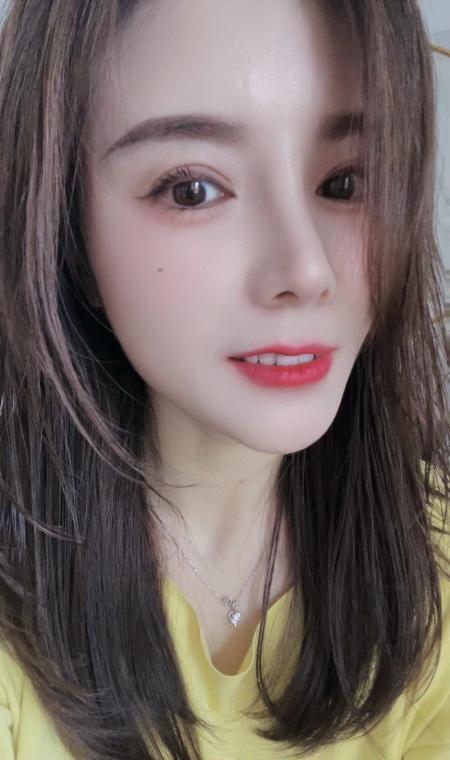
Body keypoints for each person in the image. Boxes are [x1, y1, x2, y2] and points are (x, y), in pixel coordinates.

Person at [0, 0, 449, 758]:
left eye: (346, 182)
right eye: (192, 190)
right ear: (66, 230)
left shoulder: (432, 556)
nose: (305, 270)